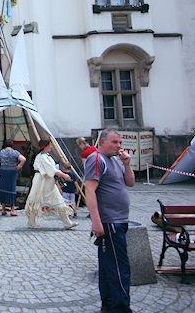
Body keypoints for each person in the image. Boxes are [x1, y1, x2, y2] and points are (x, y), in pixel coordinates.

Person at [84, 129, 135, 313]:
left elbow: (130, 183)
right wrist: (96, 221)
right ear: (102, 143)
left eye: (120, 143)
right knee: (120, 268)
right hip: (110, 222)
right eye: (115, 142)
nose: (119, 146)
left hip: (119, 220)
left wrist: (127, 164)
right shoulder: (96, 159)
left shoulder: (115, 161)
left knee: (107, 267)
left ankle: (108, 305)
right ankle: (120, 308)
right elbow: (89, 190)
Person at [24, 139, 78, 229]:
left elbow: (52, 169)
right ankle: (31, 222)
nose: (51, 147)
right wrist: (64, 175)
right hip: (41, 181)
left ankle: (67, 222)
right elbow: (51, 169)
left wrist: (61, 175)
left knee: (58, 200)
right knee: (36, 199)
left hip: (49, 181)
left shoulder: (47, 156)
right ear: (45, 146)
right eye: (50, 145)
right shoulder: (42, 157)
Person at [0, 139, 26, 216]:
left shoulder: (1, 152)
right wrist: (19, 166)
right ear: (12, 145)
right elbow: (23, 159)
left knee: (3, 189)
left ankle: (3, 209)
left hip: (3, 172)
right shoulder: (15, 152)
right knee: (12, 189)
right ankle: (12, 210)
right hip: (12, 172)